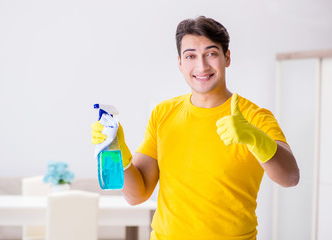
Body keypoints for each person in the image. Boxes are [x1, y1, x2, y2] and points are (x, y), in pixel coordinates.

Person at [91, 16, 300, 240]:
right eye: (191, 56)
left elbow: (290, 177)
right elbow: (137, 195)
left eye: (211, 53)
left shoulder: (255, 117)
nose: (202, 66)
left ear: (227, 58)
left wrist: (256, 139)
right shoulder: (163, 113)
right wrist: (119, 152)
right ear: (180, 63)